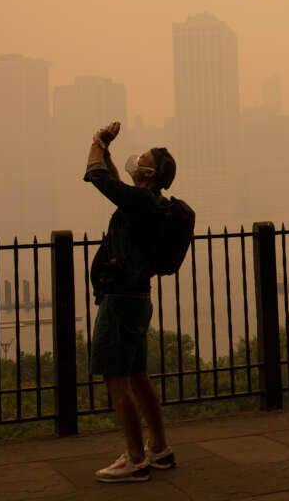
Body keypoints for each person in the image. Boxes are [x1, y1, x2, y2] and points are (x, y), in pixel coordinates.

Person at [84, 121, 177, 482]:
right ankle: (159, 449)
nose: (136, 159)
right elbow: (116, 184)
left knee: (117, 378)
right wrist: (107, 154)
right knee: (138, 375)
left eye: (143, 159)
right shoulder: (148, 202)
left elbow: (97, 177)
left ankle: (135, 458)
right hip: (138, 299)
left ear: (149, 173)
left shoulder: (140, 201)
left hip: (120, 300)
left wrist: (98, 142)